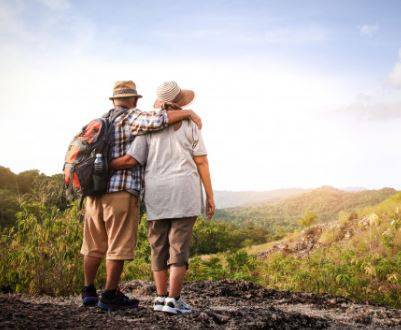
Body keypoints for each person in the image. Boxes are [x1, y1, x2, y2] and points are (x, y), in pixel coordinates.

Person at [80, 80, 202, 311]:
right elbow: (159, 120)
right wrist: (189, 112)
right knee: (117, 245)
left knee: (93, 245)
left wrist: (100, 168)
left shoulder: (101, 120)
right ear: (134, 99)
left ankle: (88, 292)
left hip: (93, 192)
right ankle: (109, 295)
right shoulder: (132, 117)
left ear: (114, 99)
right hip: (120, 191)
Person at [110, 81, 215, 314]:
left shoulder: (148, 127)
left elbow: (133, 158)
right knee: (178, 247)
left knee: (157, 247)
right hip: (184, 191)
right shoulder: (190, 124)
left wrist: (102, 166)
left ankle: (159, 298)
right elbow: (202, 161)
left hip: (156, 193)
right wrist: (210, 195)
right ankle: (174, 300)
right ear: (180, 102)